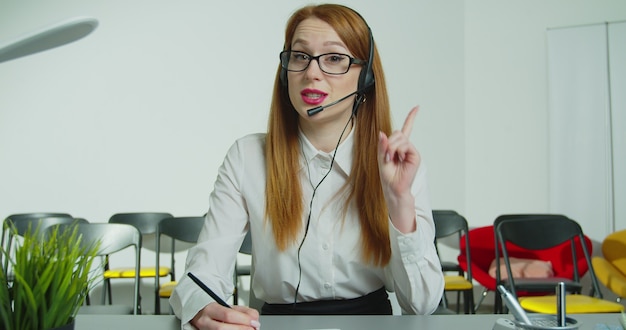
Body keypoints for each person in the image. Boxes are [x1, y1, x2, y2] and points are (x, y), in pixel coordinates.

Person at [170, 4, 444, 329]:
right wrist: (200, 306)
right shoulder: (247, 156)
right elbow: (204, 271)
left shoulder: (396, 164)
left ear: (366, 76)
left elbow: (423, 304)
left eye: (334, 58)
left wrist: (399, 204)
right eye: (300, 56)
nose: (312, 73)